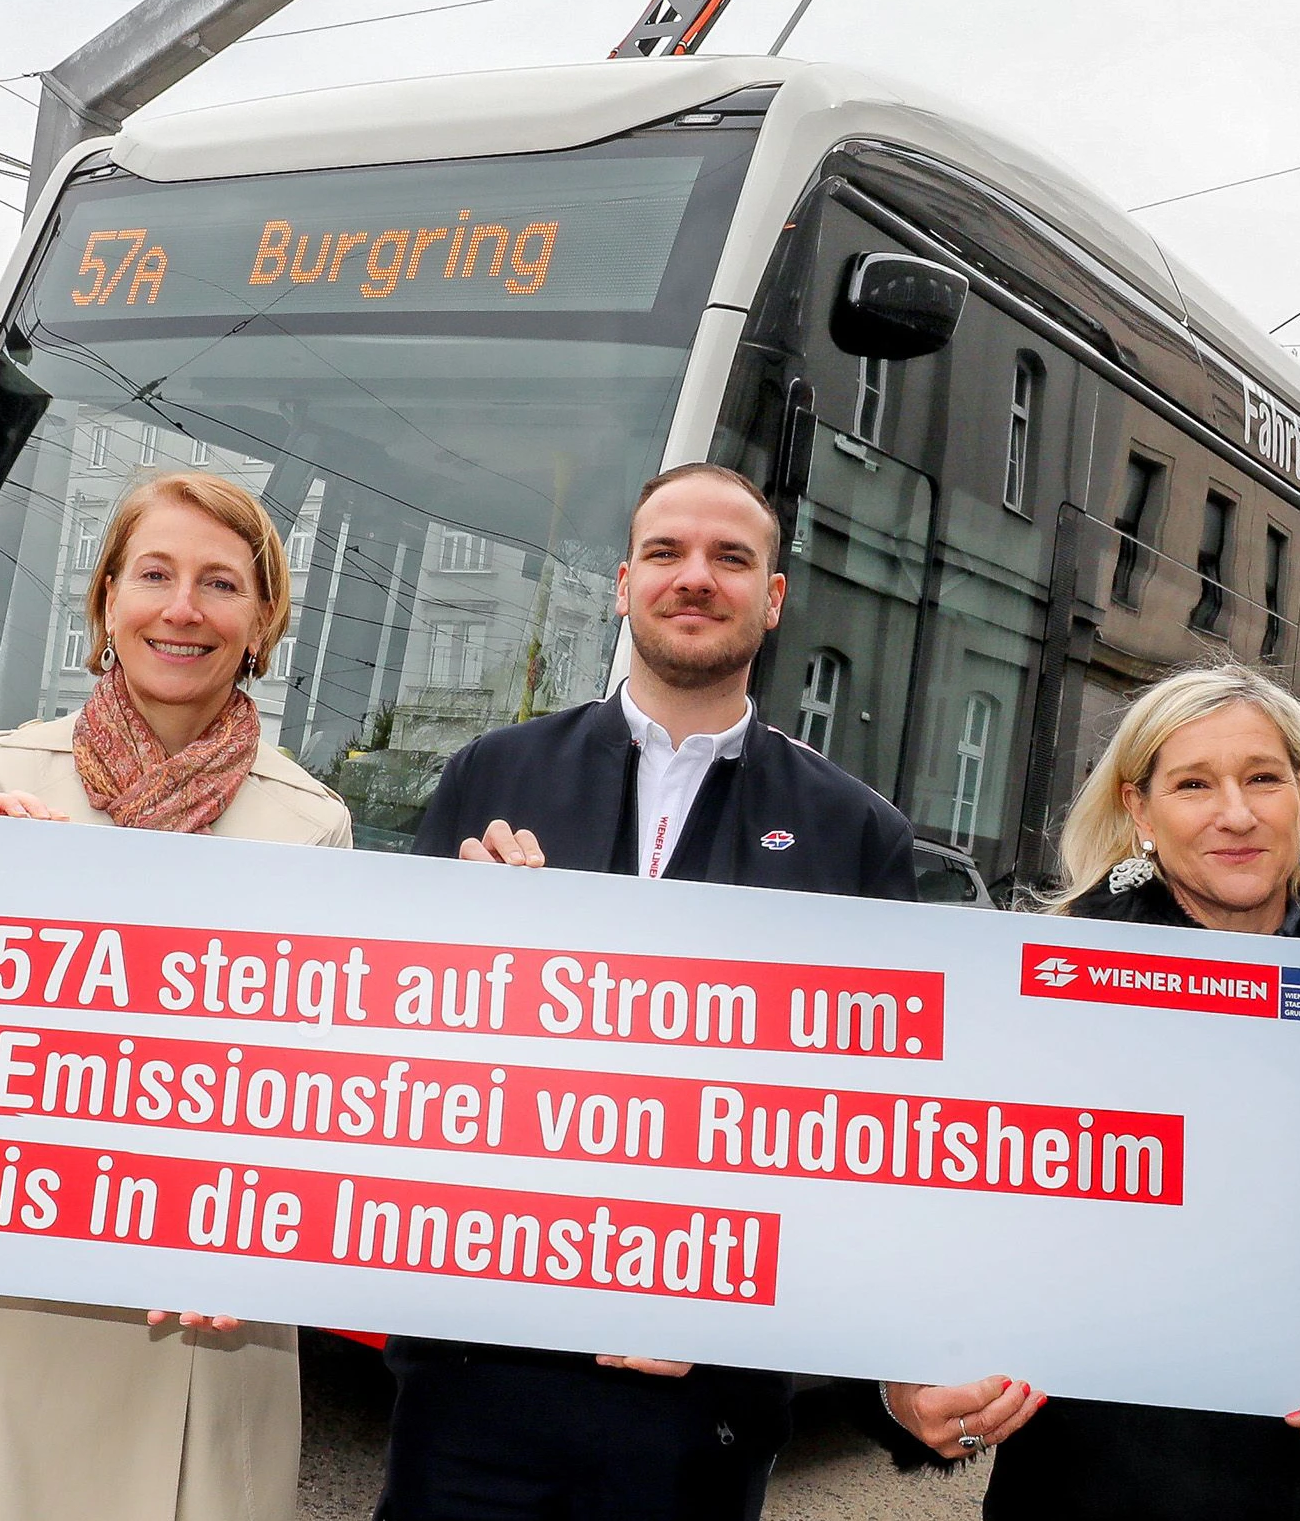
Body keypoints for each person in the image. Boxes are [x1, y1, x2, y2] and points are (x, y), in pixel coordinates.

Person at [376, 461, 919, 1521]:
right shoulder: (490, 775)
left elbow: (868, 1136)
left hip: (700, 1415)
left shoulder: (858, 833)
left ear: (773, 597)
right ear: (624, 583)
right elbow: (393, 1059)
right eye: (667, 553)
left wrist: (742, 1316)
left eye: (731, 558)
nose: (695, 578)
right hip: (478, 1385)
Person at [872, 663, 1300, 1519]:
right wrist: (902, 1387)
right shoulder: (1040, 1000)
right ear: (1139, 810)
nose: (1237, 812)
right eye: (1194, 783)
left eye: (1263, 776)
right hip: (1078, 1496)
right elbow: (915, 1237)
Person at [0, 470, 351, 1521]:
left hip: (195, 1320)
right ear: (107, 599)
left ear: (263, 622)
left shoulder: (312, 825)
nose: (183, 607)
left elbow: (312, 1098)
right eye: (154, 573)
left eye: (220, 583)